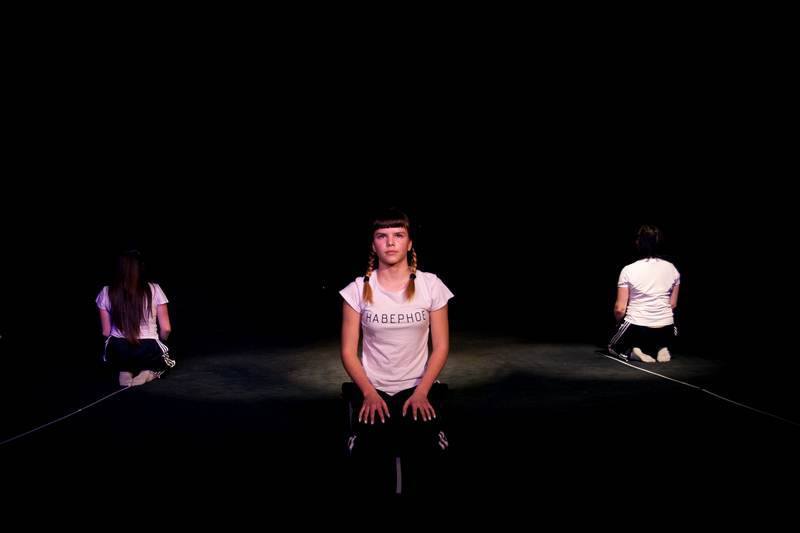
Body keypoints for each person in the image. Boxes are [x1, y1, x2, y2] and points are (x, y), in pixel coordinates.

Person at [339, 208, 454, 495]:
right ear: (373, 244)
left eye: (398, 235)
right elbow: (348, 352)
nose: (390, 242)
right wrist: (368, 393)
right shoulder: (356, 290)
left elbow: (441, 346)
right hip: (374, 388)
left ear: (409, 243)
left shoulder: (431, 285)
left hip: (416, 387)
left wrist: (422, 391)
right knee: (367, 461)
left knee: (430, 459)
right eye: (382, 236)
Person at [96, 250, 175, 386]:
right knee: (169, 358)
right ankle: (148, 371)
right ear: (141, 268)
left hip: (118, 348)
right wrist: (160, 344)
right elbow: (166, 329)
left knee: (113, 355)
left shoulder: (106, 291)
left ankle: (124, 370)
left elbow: (106, 332)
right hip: (148, 347)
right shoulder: (155, 289)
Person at [608, 225, 680, 363]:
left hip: (637, 326)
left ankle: (634, 351)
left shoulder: (629, 270)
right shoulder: (672, 268)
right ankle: (662, 346)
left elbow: (620, 309)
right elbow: (673, 304)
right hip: (667, 328)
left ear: (638, 243)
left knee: (613, 346)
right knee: (663, 326)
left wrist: (618, 325)